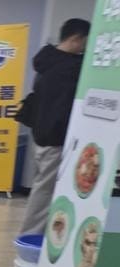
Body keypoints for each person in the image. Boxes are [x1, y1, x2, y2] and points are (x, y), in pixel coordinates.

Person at [19, 18, 90, 236]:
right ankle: (29, 237)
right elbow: (61, 109)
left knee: (43, 187)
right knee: (44, 191)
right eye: (86, 41)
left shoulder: (47, 61)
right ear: (76, 39)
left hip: (40, 135)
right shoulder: (69, 69)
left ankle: (40, 233)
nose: (87, 46)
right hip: (55, 139)